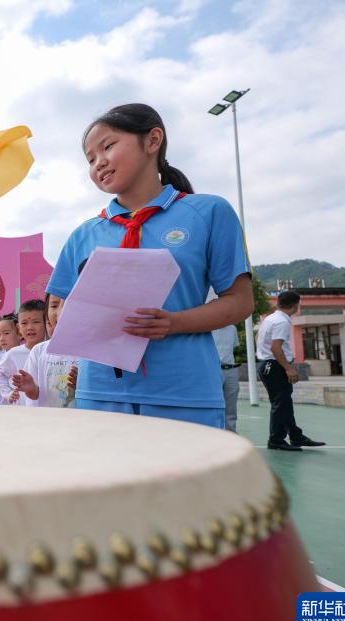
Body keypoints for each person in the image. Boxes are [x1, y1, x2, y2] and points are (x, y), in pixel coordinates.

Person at [46, 103, 253, 428]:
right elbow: (57, 311)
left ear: (153, 140)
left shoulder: (209, 212)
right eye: (90, 159)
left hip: (184, 392)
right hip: (99, 394)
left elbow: (241, 302)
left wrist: (174, 322)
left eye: (108, 146)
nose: (99, 162)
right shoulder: (82, 235)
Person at [256, 291, 324, 451]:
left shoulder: (270, 318)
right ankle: (276, 440)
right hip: (275, 366)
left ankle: (295, 435)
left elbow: (263, 341)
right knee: (281, 404)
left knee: (284, 403)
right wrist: (288, 368)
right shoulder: (281, 322)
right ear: (295, 305)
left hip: (267, 364)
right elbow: (276, 347)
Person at [13, 296, 79, 408]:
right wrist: (31, 389)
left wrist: (82, 385)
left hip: (79, 417)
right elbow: (35, 394)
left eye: (67, 304)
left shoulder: (89, 351)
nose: (60, 312)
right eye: (54, 306)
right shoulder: (38, 351)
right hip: (45, 417)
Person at [0, 299, 48, 405]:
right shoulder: (13, 353)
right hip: (23, 409)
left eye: (36, 322)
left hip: (48, 407)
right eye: (24, 323)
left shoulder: (52, 352)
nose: (30, 327)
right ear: (18, 327)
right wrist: (8, 393)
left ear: (47, 322)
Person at [0, 314, 21, 405]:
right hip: (1, 410)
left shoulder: (29, 356)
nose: (1, 338)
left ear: (20, 334)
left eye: (6, 333)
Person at [212, 323, 240, 432]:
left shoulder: (232, 328)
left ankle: (231, 434)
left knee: (231, 407)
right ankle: (212, 434)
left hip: (231, 369)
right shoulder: (209, 327)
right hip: (214, 369)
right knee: (214, 405)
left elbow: (233, 347)